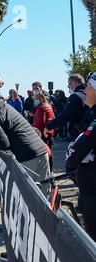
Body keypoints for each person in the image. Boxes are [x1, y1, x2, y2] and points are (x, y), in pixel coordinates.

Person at [66, 72, 96, 241]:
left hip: (92, 193)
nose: (86, 91)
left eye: (90, 87)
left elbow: (73, 156)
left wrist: (75, 146)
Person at [46, 74, 88, 142]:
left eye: (69, 85)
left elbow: (66, 115)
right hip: (89, 130)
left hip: (79, 132)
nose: (69, 88)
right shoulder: (88, 93)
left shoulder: (75, 96)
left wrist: (49, 126)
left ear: (74, 83)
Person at [33, 91, 56, 170]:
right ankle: (50, 171)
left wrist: (36, 133)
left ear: (39, 99)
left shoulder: (41, 108)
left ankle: (47, 171)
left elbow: (40, 122)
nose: (34, 101)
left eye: (35, 99)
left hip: (43, 134)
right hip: (49, 133)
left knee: (45, 154)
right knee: (49, 153)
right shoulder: (47, 106)